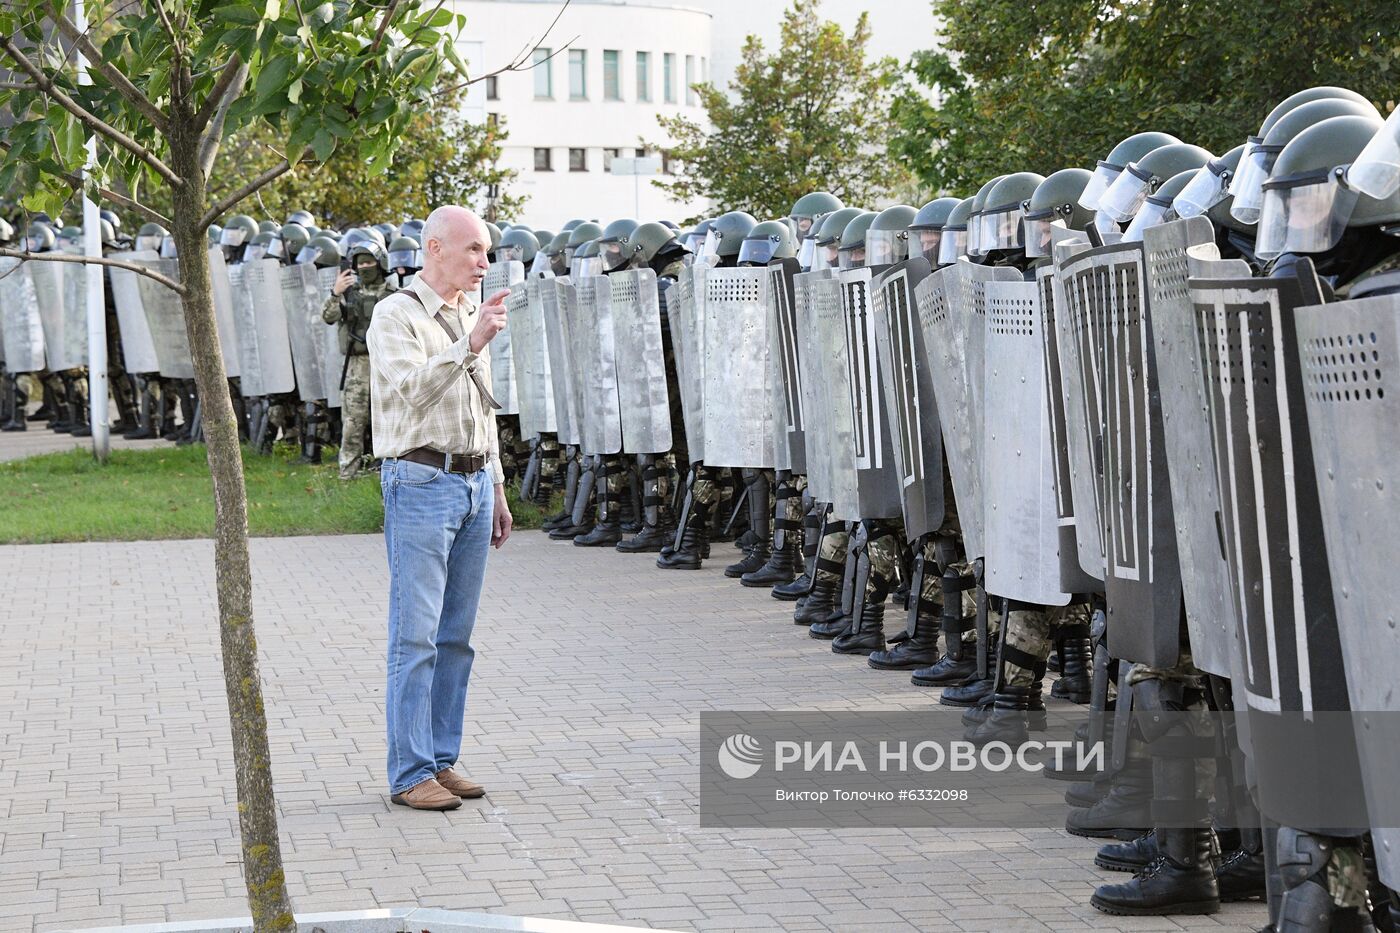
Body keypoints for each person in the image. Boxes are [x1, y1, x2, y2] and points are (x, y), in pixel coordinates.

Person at [366, 205, 514, 812]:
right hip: (421, 483)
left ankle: (441, 760)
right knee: (417, 637)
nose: (484, 262)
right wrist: (471, 343)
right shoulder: (395, 315)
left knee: (456, 638)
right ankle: (408, 774)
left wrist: (498, 488)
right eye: (474, 250)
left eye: (486, 251)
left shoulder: (466, 314)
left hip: (474, 485)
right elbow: (410, 389)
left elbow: (482, 409)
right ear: (434, 248)